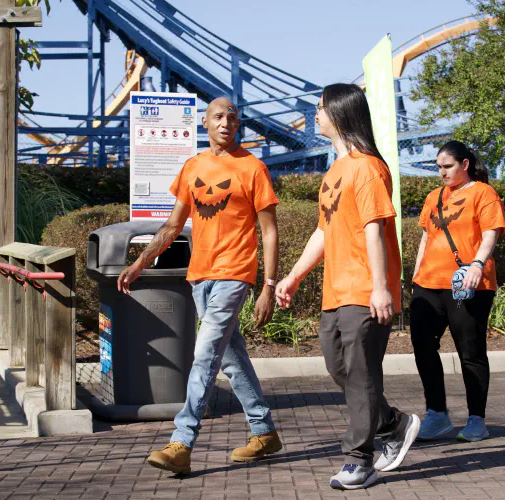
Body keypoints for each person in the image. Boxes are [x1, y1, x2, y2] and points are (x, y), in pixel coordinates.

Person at [118, 97, 283, 475]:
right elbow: (173, 225)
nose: (227, 122)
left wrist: (268, 285)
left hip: (235, 273)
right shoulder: (193, 166)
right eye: (219, 117)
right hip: (200, 276)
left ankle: (182, 441)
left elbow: (269, 231)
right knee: (230, 355)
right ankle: (264, 431)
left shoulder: (253, 168)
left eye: (233, 118)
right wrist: (141, 262)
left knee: (205, 355)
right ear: (204, 122)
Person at [275, 83, 420, 490]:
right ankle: (392, 423)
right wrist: (293, 275)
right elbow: (323, 231)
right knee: (339, 368)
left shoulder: (368, 168)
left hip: (364, 289)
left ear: (338, 114)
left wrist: (380, 287)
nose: (315, 115)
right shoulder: (334, 172)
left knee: (359, 372)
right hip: (334, 291)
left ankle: (360, 460)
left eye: (320, 108)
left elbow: (374, 229)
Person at [410, 141, 505, 442]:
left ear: (465, 164)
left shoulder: (483, 193)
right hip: (428, 283)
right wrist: (415, 274)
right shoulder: (434, 196)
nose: (442, 172)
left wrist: (479, 264)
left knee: (471, 352)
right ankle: (437, 414)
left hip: (467, 283)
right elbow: (426, 237)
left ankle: (477, 419)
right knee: (423, 346)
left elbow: (491, 232)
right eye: (439, 167)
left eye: (448, 166)